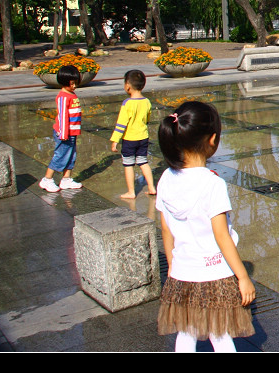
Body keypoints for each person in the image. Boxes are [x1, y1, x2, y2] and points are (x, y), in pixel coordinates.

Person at [156, 101, 256, 352]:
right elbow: (221, 236)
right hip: (214, 273)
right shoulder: (212, 185)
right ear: (212, 140)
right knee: (220, 334)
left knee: (186, 331)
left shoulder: (166, 178)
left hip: (182, 271)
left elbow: (166, 230)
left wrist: (172, 266)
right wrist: (243, 277)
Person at [110, 69, 156, 199]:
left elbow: (121, 124)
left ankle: (131, 192)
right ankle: (151, 187)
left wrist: (115, 140)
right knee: (143, 162)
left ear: (127, 86)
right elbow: (147, 119)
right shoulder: (146, 101)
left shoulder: (127, 103)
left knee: (128, 164)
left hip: (130, 139)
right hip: (143, 137)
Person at [39, 64, 83, 193]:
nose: (74, 86)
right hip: (64, 133)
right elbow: (63, 116)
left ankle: (66, 179)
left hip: (72, 132)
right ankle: (47, 179)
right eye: (72, 83)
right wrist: (63, 134)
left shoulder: (71, 94)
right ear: (64, 82)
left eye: (76, 83)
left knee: (71, 155)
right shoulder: (63, 97)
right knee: (61, 155)